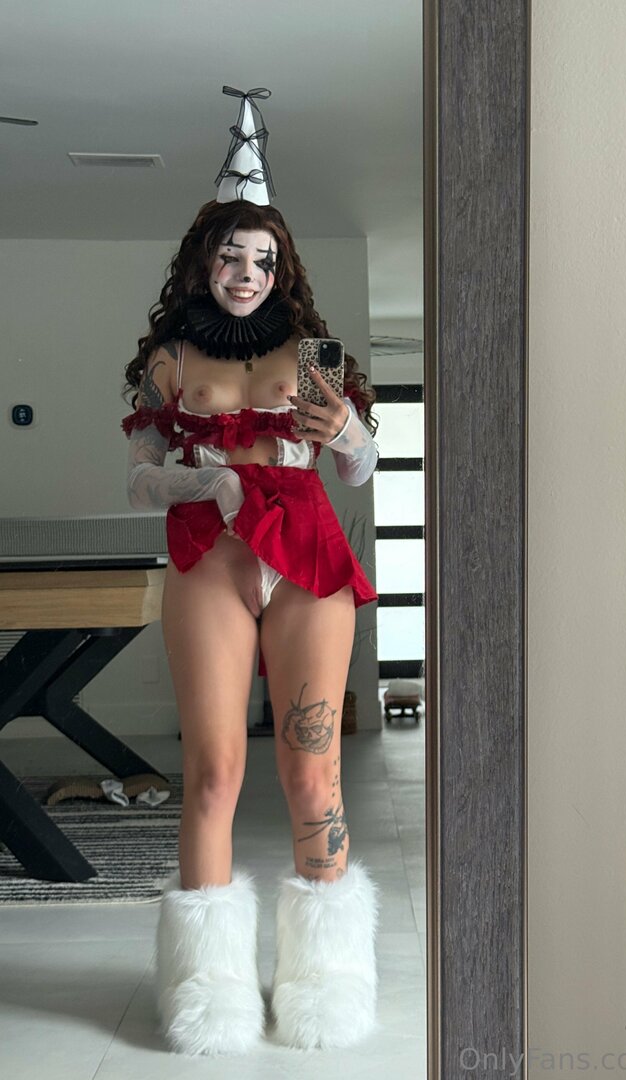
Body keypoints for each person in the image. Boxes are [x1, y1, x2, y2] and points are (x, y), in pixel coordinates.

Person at [121, 86, 380, 1057]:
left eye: (264, 259)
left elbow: (359, 468)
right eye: (231, 255)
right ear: (204, 258)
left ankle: (329, 980)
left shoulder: (314, 354)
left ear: (283, 267)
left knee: (311, 767)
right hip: (209, 558)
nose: (246, 273)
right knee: (215, 771)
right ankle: (208, 988)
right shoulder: (170, 358)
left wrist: (348, 429)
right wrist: (209, 480)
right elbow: (140, 480)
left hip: (307, 559)